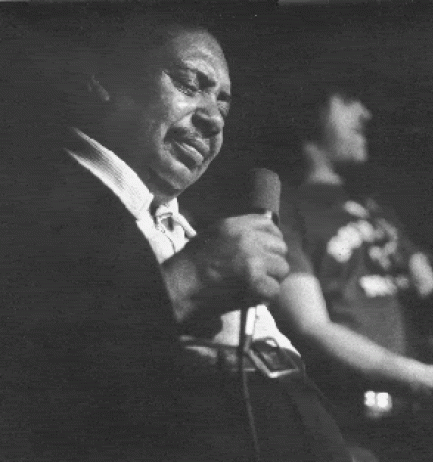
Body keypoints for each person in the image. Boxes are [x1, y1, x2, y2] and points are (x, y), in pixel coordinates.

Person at [0, 7, 357, 462]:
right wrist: (190, 280)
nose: (214, 120)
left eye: (223, 104)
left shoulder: (185, 225)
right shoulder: (31, 196)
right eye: (190, 85)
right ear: (105, 80)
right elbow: (30, 380)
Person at [275, 87, 433, 462]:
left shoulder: (376, 208)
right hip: (355, 435)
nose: (365, 112)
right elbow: (310, 326)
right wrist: (432, 379)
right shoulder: (288, 207)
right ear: (310, 113)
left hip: (427, 429)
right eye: (348, 99)